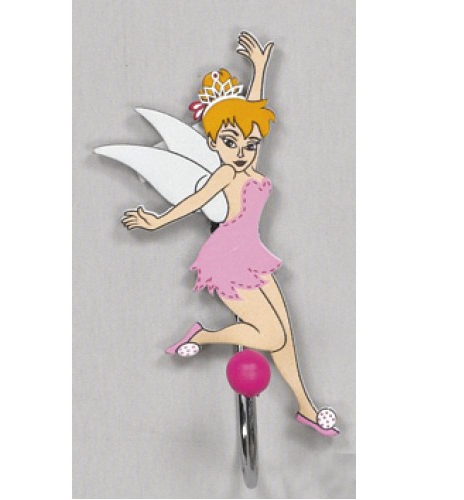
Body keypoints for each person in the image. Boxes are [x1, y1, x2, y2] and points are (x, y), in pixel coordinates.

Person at [121, 32, 338, 436]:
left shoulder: (250, 165)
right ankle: (203, 335)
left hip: (252, 254)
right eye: (229, 141)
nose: (241, 150)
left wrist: (259, 69)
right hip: (226, 259)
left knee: (285, 337)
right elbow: (194, 200)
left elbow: (252, 113)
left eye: (249, 144)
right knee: (271, 334)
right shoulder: (224, 173)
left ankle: (306, 407)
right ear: (213, 142)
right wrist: (157, 221)